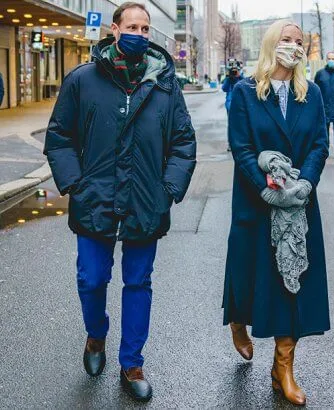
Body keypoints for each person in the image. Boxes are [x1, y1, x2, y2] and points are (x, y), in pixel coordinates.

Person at [43, 2, 196, 402]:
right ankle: (96, 336)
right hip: (95, 200)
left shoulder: (165, 84)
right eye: (133, 26)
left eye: (146, 28)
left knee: (138, 282)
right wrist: (75, 184)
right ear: (114, 30)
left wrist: (168, 191)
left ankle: (132, 363)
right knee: (91, 280)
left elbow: (182, 142)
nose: (140, 34)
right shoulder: (82, 80)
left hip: (146, 201)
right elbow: (59, 136)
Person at [222, 20, 329, 406]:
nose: (293, 46)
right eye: (286, 39)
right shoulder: (245, 91)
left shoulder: (311, 92)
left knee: (292, 280)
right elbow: (241, 147)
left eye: (299, 42)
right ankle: (238, 318)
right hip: (257, 200)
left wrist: (306, 184)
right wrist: (264, 186)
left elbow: (319, 144)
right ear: (271, 44)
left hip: (298, 204)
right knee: (248, 273)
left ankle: (283, 366)